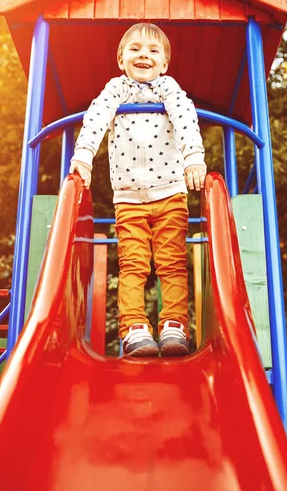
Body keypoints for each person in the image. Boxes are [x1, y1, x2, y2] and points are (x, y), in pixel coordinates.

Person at [70, 23, 206, 357]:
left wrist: (193, 157)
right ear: (121, 60)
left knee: (172, 263)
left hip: (170, 192)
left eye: (153, 50)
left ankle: (174, 325)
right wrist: (84, 156)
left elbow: (185, 117)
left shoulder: (168, 89)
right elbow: (96, 118)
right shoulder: (116, 90)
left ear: (164, 64)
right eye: (134, 49)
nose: (143, 54)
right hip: (129, 198)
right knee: (133, 265)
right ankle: (134, 328)